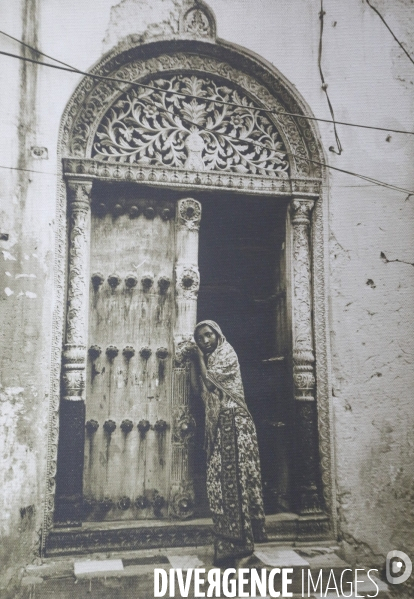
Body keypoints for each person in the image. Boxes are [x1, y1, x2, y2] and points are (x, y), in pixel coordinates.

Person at [191, 320, 267, 567]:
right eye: (200, 338)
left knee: (234, 483)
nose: (205, 341)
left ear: (218, 334)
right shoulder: (210, 358)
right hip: (223, 426)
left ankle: (242, 549)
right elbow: (200, 390)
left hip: (234, 424)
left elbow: (210, 381)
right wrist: (194, 360)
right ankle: (227, 545)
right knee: (219, 484)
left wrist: (198, 356)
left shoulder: (226, 353)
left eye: (208, 335)